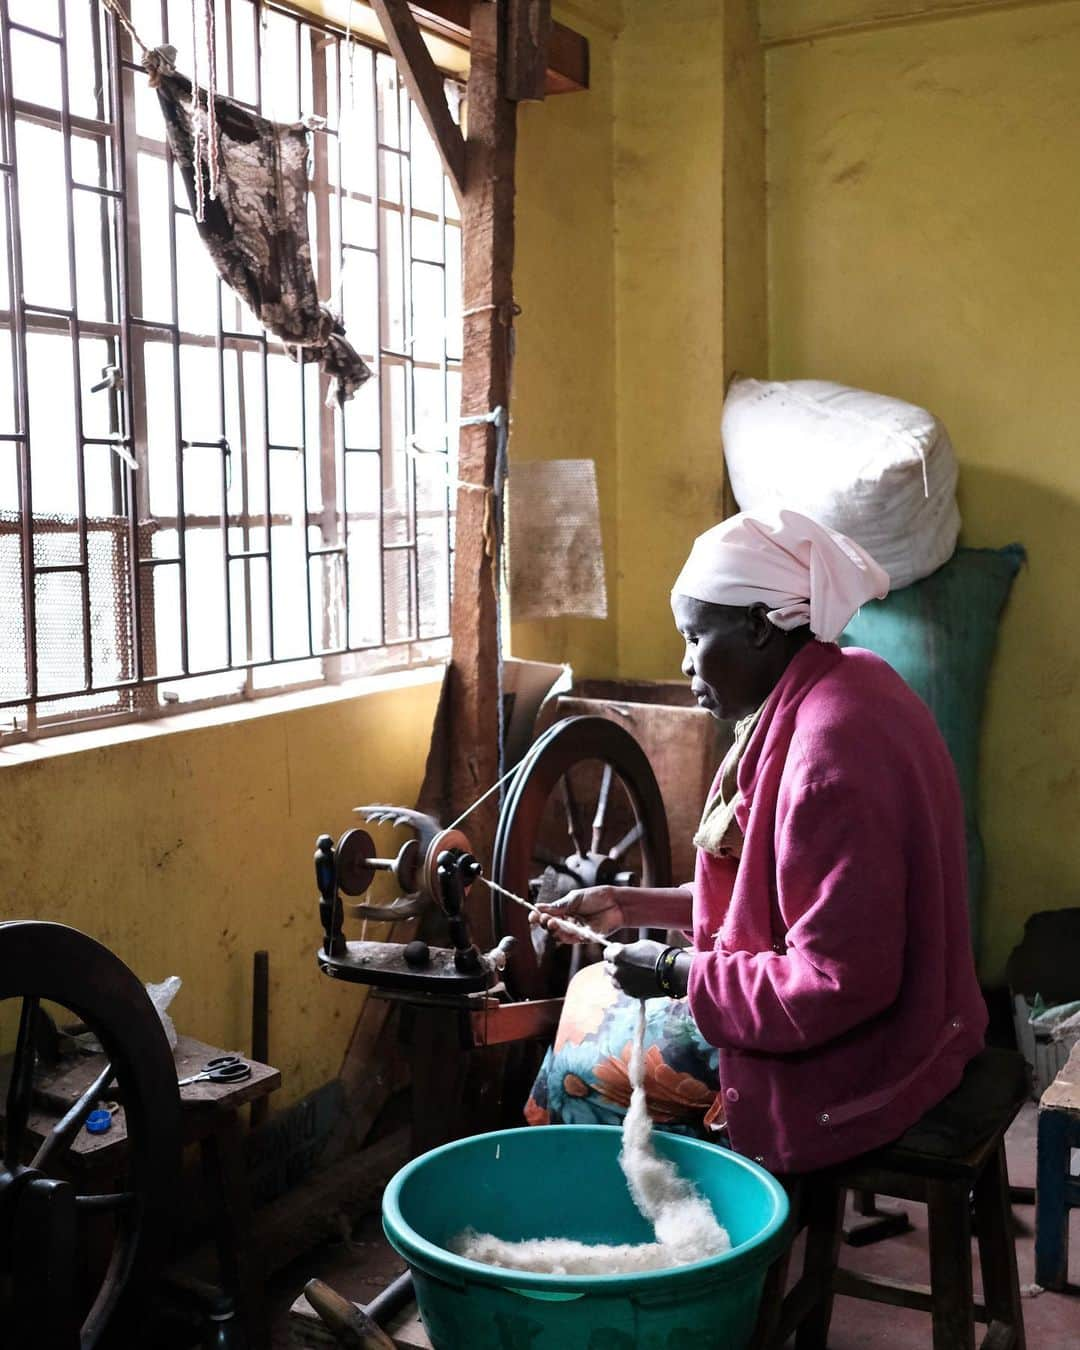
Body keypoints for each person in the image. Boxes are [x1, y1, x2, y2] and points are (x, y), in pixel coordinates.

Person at [531, 509, 987, 1174]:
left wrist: (671, 971)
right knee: (588, 998)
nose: (684, 663)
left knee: (573, 1070)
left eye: (694, 638)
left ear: (755, 624)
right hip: (913, 1014)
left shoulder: (826, 758)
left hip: (864, 1056)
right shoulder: (847, 680)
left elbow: (833, 985)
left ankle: (663, 1256)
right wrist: (632, 906)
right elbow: (777, 902)